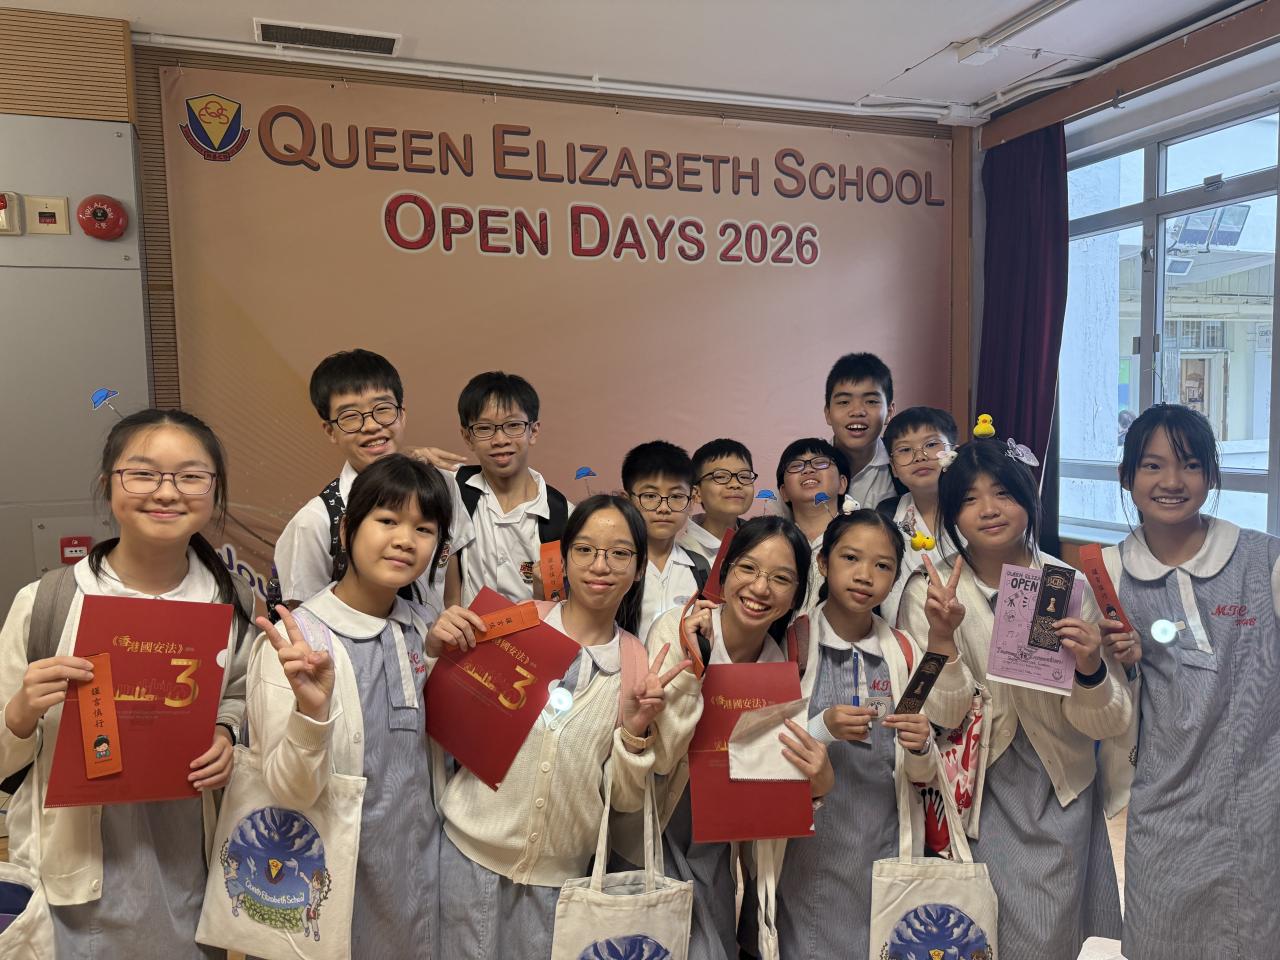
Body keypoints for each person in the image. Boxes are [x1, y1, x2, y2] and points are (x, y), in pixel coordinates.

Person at [0, 409, 252, 958]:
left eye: (190, 476)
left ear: (214, 490)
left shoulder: (232, 602)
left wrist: (227, 734)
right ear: (108, 484)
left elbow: (238, 695)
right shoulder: (47, 602)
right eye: (142, 473)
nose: (166, 492)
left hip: (188, 860)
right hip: (73, 872)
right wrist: (20, 712)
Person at [427, 495, 692, 959]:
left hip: (559, 887)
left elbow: (623, 801)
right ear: (563, 559)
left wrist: (634, 735)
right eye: (585, 550)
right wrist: (437, 650)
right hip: (464, 864)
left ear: (638, 570)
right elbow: (443, 725)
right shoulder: (511, 626)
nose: (600, 565)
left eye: (620, 553)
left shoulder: (635, 664)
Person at [899, 436, 1132, 960]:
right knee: (978, 932)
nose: (988, 509)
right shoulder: (929, 591)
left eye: (1003, 492)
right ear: (952, 512)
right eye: (969, 498)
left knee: (1049, 934)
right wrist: (942, 641)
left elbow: (1107, 723)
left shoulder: (1064, 585)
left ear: (1028, 497)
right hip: (978, 790)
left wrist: (1090, 670)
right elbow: (940, 715)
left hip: (1059, 783)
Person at [250, 454, 452, 957]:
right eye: (387, 520)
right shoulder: (298, 644)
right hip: (326, 879)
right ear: (346, 531)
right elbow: (286, 791)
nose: (405, 540)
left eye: (423, 528)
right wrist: (310, 715)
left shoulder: (422, 627)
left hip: (414, 880)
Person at [1107, 403, 1280, 960]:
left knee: (1255, 937)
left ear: (1210, 474)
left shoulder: (1264, 560)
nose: (1173, 481)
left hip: (1260, 804)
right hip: (1164, 803)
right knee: (1161, 937)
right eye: (1153, 465)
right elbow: (1103, 702)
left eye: (1190, 464)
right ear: (1127, 476)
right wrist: (1123, 666)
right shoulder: (1107, 573)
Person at [643, 516, 834, 960]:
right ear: (724, 571)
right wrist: (695, 668)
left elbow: (767, 797)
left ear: (796, 595)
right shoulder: (678, 630)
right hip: (655, 825)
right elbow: (658, 756)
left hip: (715, 845)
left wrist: (817, 787)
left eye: (781, 578)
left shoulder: (778, 669)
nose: (761, 588)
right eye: (748, 568)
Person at [774, 509, 940, 958]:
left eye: (883, 565)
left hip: (886, 839)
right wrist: (823, 728)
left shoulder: (904, 651)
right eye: (850, 558)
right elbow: (764, 746)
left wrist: (922, 745)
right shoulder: (792, 643)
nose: (865, 575)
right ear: (823, 562)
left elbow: (922, 774)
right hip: (808, 848)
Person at [273, 348, 471, 619]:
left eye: (383, 409)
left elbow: (449, 580)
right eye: (350, 416)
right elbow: (304, 623)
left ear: (402, 415)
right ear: (330, 431)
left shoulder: (443, 485)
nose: (370, 426)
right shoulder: (313, 523)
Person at [453, 371, 571, 605]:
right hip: (463, 629)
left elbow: (565, 606)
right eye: (484, 428)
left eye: (513, 425)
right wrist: (414, 454)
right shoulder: (451, 488)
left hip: (537, 628)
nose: (500, 440)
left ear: (533, 431)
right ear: (467, 437)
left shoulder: (564, 515)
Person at [875, 406, 959, 627]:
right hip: (906, 638)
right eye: (905, 450)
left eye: (931, 445)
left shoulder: (979, 511)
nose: (920, 457)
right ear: (893, 467)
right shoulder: (887, 516)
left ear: (954, 453)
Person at [621, 441, 710, 639]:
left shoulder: (700, 569)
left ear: (691, 501)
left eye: (676, 496)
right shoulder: (615, 565)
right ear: (627, 500)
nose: (664, 508)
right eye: (650, 495)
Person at [775, 438, 849, 616]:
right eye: (796, 465)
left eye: (821, 462)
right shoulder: (773, 542)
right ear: (784, 492)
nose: (808, 470)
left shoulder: (861, 538)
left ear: (842, 484)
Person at [822, 352, 896, 509]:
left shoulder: (904, 465)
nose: (857, 412)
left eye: (871, 401)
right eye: (844, 402)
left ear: (889, 412)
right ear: (828, 413)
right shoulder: (805, 470)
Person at [680, 439, 757, 560]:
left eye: (744, 476)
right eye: (720, 476)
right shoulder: (682, 551)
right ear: (696, 493)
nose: (736, 484)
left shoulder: (760, 541)